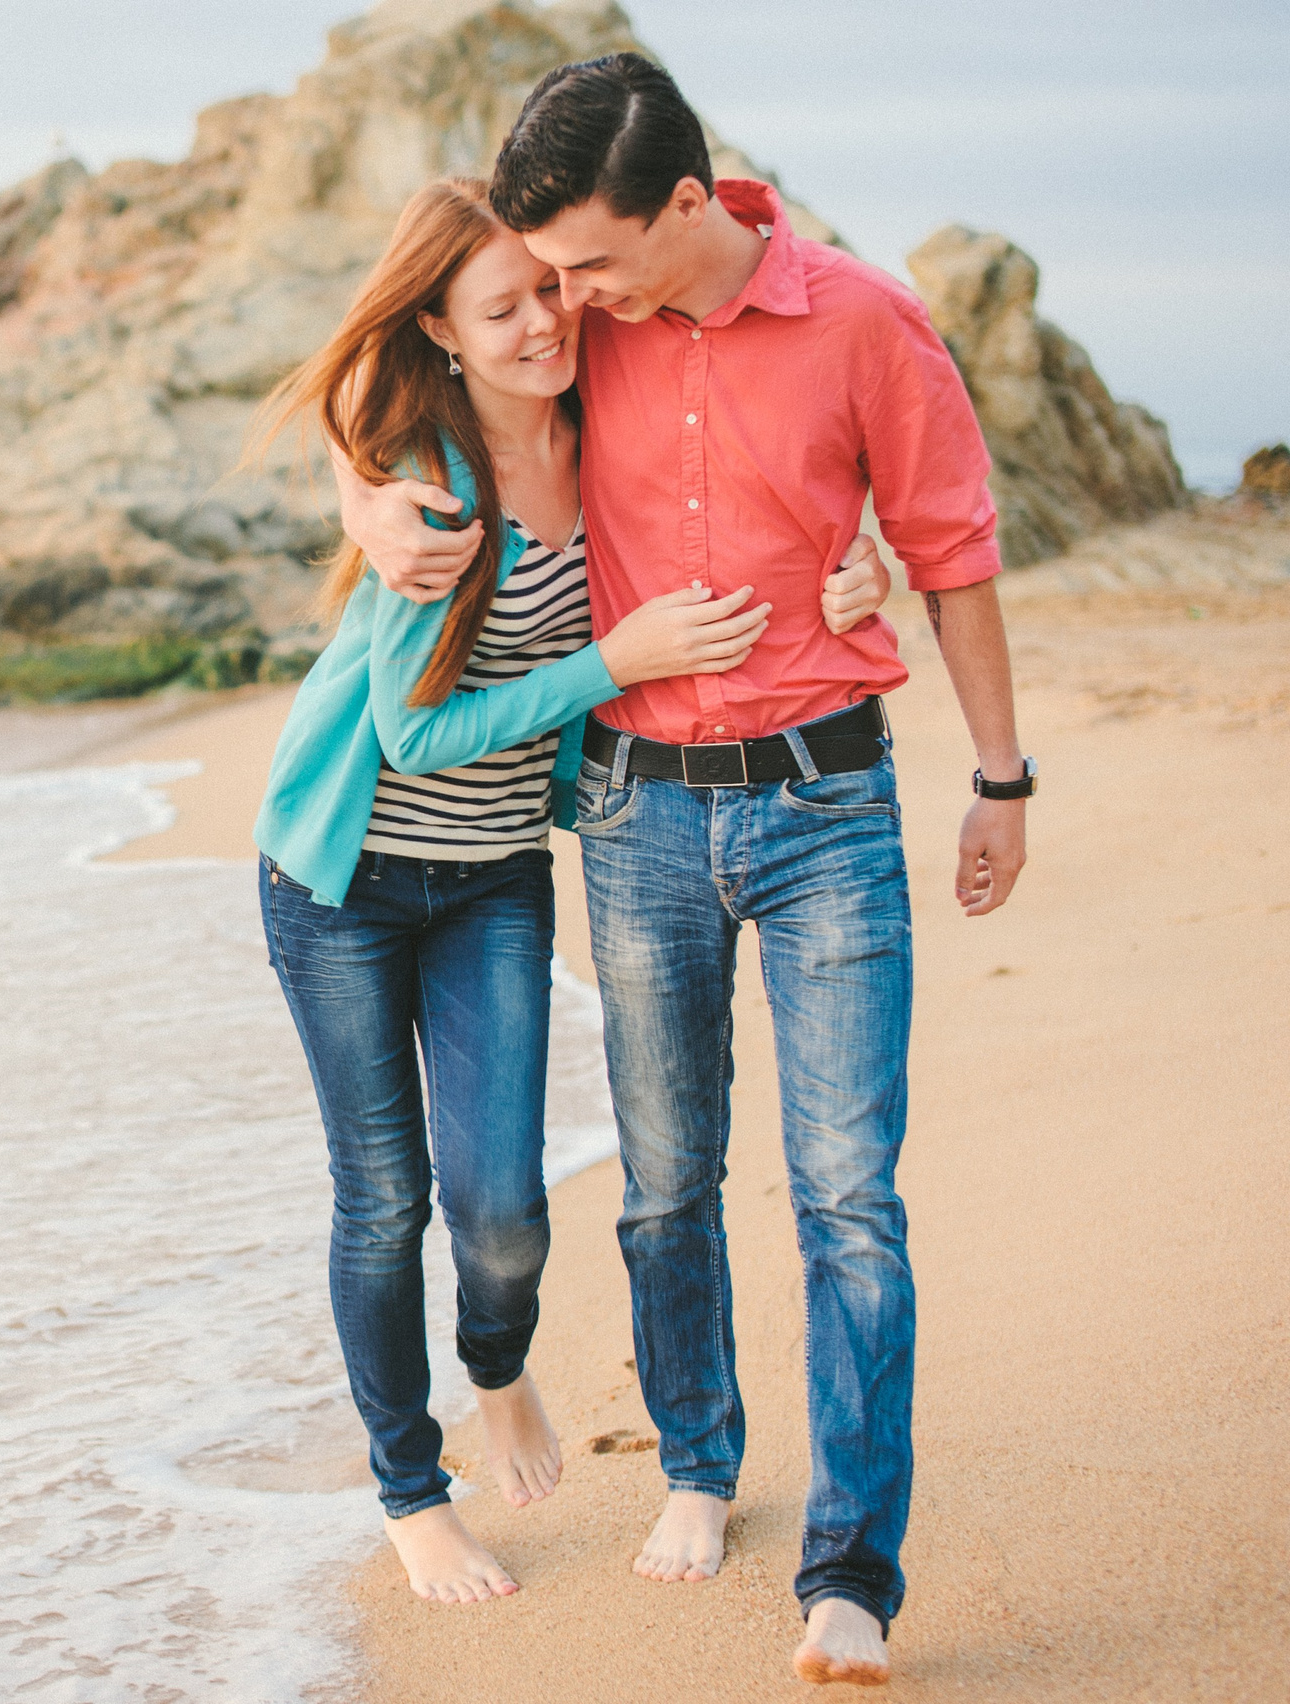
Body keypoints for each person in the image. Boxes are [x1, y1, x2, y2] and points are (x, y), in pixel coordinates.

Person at [333, 55, 1031, 1688]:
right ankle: (704, 1463)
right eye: (552, 273)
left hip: (827, 812)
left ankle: (851, 1573)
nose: (567, 303)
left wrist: (1002, 776)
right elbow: (410, 381)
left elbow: (952, 550)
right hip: (637, 820)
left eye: (588, 262)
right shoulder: (588, 327)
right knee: (663, 1189)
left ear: (688, 209)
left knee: (852, 1193)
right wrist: (364, 500)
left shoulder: (865, 320)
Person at [249, 177, 892, 1608]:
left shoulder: (605, 412)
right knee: (383, 1199)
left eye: (546, 290)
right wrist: (614, 657)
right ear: (442, 328)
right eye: (501, 309)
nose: (542, 323)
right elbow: (413, 736)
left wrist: (860, 553)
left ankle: (498, 1365)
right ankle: (411, 1492)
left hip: (493, 877)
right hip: (342, 878)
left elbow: (753, 464)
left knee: (506, 1216)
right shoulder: (430, 482)